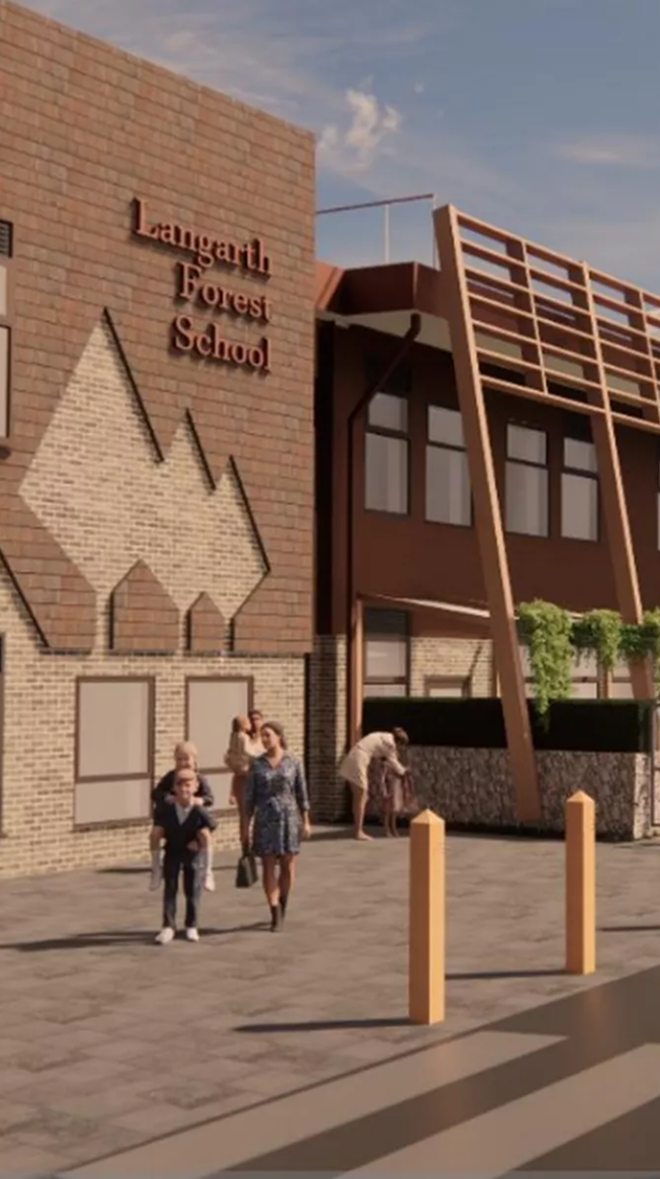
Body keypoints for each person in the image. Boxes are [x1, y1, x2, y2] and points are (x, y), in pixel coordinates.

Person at [245, 721, 311, 932]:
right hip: (265, 819)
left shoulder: (294, 761)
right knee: (268, 865)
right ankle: (274, 912)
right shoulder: (257, 765)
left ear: (279, 736)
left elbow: (301, 792)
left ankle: (283, 902)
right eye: (262, 736)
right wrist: (245, 827)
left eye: (268, 735)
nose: (264, 739)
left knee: (287, 866)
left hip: (289, 818)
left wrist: (306, 820)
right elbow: (249, 799)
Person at [149, 767, 213, 945]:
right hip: (173, 851)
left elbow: (212, 825)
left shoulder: (198, 810)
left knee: (192, 890)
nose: (184, 789)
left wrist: (198, 842)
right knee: (170, 888)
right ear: (174, 788)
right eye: (180, 785)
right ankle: (168, 925)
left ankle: (192, 925)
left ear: (195, 787)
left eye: (188, 785)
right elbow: (159, 824)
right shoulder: (167, 808)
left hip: (192, 854)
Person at [151, 742, 217, 892]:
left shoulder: (199, 778)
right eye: (179, 759)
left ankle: (207, 872)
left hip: (192, 821)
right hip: (172, 820)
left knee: (205, 834)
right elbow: (155, 793)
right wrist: (167, 797)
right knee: (155, 834)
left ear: (194, 760)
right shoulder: (171, 777)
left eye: (186, 759)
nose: (183, 763)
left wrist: (200, 800)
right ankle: (156, 869)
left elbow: (210, 798)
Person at [339, 728, 409, 841]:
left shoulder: (382, 736)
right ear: (399, 742)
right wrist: (404, 771)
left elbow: (381, 756)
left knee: (360, 797)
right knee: (361, 796)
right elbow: (393, 762)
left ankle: (357, 829)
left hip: (353, 757)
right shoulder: (390, 744)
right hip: (359, 760)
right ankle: (358, 832)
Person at [225, 714, 260, 849]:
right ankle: (247, 842)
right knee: (246, 814)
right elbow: (248, 751)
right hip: (245, 773)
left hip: (240, 772)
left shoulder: (233, 737)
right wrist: (261, 754)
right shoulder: (243, 737)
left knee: (244, 815)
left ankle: (245, 842)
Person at [374, 762, 417, 837]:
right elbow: (382, 778)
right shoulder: (386, 764)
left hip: (396, 788)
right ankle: (387, 830)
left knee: (394, 810)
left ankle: (393, 828)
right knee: (387, 811)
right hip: (389, 788)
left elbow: (402, 772)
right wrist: (384, 790)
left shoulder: (396, 764)